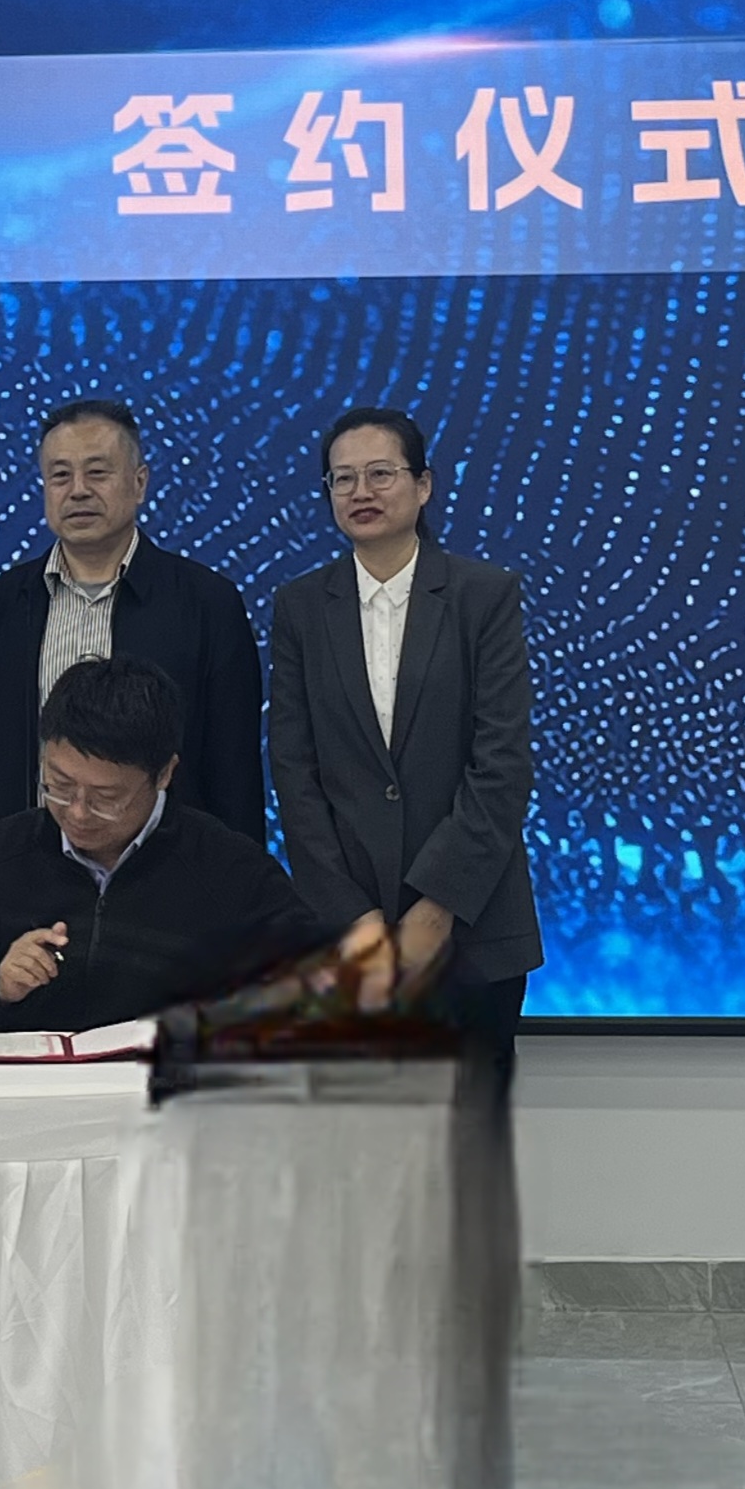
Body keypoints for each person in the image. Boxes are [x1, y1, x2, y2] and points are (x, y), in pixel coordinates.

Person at [266, 405, 543, 1037]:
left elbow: (501, 763)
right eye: (343, 478)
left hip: (473, 926)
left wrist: (437, 906)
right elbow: (293, 770)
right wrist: (353, 916)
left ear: (423, 485)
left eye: (380, 474)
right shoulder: (301, 606)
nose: (360, 491)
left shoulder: (484, 596)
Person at [0, 656, 326, 1034]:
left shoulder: (227, 866)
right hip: (35, 1087)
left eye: (106, 798)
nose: (77, 813)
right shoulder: (4, 851)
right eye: (58, 785)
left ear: (164, 775)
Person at [0, 398, 266, 883]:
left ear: (139, 482)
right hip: (23, 882)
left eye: (97, 472)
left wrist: (239, 903)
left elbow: (234, 775)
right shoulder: (1, 607)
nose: (78, 490)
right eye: (60, 475)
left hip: (166, 888)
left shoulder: (208, 604)